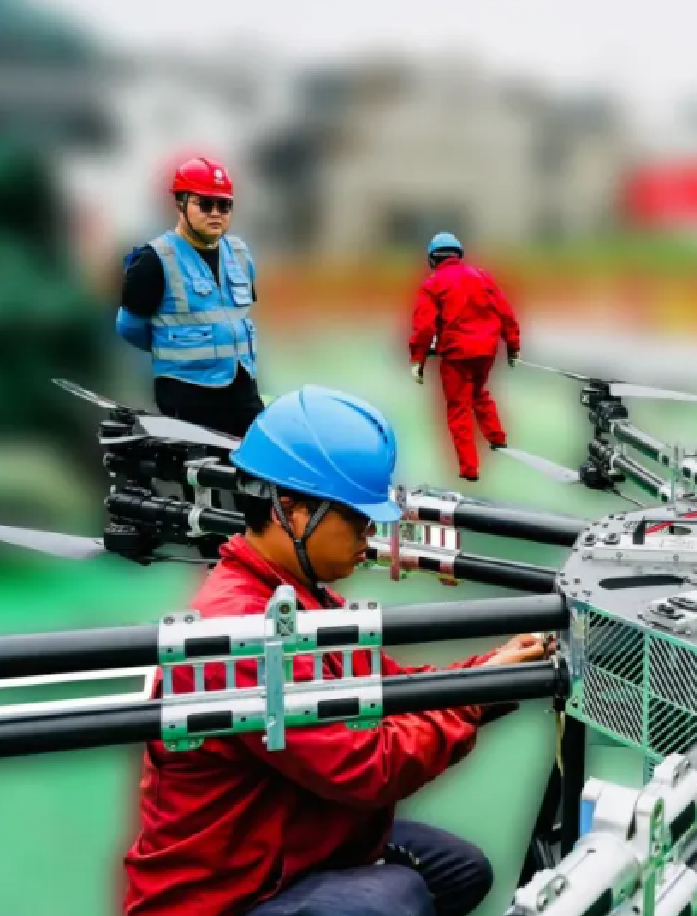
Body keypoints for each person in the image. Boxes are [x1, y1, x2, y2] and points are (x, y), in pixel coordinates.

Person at [121, 386, 552, 916]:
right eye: (357, 518)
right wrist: (474, 702)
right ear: (294, 513)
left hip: (282, 846)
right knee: (393, 900)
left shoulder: (299, 596)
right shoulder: (241, 628)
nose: (370, 535)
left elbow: (386, 692)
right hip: (224, 896)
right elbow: (367, 766)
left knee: (460, 870)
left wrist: (485, 673)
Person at [115, 156, 264, 438]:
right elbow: (130, 329)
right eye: (205, 204)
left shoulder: (241, 254)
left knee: (255, 476)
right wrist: (174, 345)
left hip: (243, 391)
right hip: (188, 394)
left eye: (224, 205)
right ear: (180, 204)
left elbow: (235, 318)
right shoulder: (153, 260)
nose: (216, 213)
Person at [408, 232, 521, 483]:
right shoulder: (481, 276)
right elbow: (505, 311)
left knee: (458, 408)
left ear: (432, 259)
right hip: (486, 351)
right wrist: (513, 345)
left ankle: (469, 469)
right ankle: (497, 437)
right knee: (480, 392)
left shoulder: (432, 284)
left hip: (457, 353)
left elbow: (424, 327)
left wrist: (418, 360)